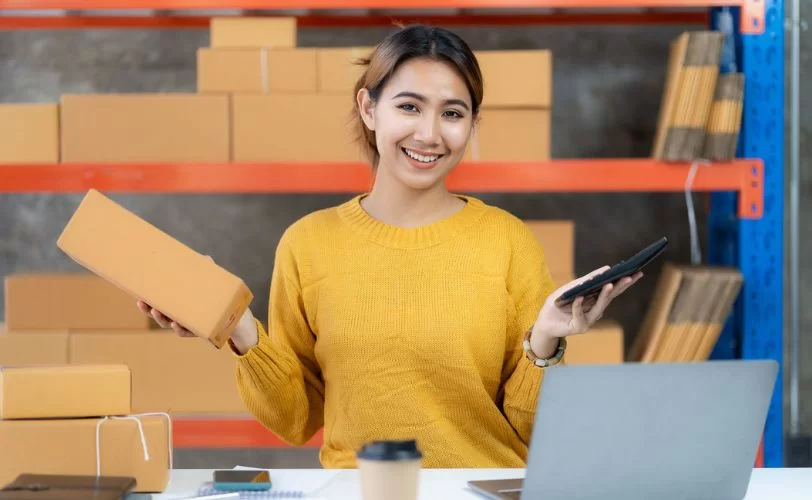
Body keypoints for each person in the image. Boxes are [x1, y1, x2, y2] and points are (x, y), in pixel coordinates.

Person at [138, 24, 641, 469]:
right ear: (368, 107)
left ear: (472, 125)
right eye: (408, 107)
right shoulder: (308, 243)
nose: (429, 134)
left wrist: (545, 341)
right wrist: (240, 329)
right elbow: (295, 420)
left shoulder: (508, 242)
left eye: (452, 113)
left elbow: (535, 431)